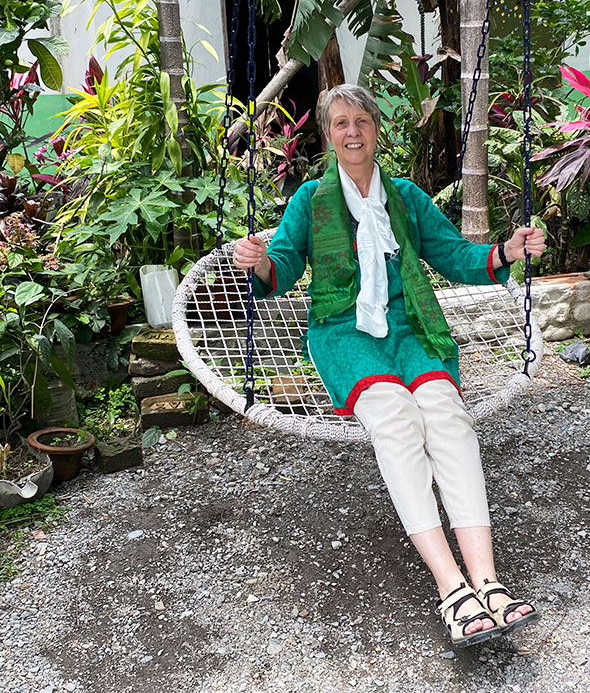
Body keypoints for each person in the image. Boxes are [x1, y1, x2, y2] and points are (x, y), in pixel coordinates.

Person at [233, 84, 545, 649]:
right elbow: (283, 263)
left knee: (446, 413)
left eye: (362, 121)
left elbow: (453, 254)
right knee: (397, 419)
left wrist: (505, 252)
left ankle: (488, 580)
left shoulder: (404, 196)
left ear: (377, 129)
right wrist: (257, 263)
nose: (352, 132)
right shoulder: (310, 200)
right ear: (328, 135)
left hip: (413, 324)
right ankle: (452, 588)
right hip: (343, 330)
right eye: (340, 123)